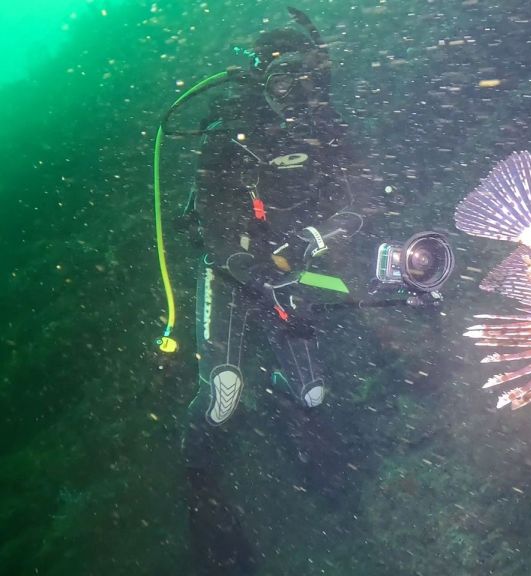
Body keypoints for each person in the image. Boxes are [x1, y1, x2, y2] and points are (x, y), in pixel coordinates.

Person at [181, 10, 365, 573]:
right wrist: (249, 267)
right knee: (224, 393)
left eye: (303, 76)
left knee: (313, 393)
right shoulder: (229, 132)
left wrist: (312, 240)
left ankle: (293, 418)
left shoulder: (328, 126)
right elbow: (211, 227)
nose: (294, 90)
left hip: (291, 267)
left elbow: (360, 201)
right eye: (281, 78)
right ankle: (198, 484)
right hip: (231, 271)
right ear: (259, 79)